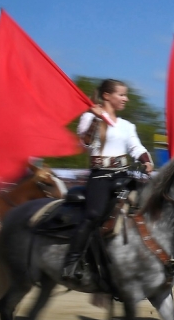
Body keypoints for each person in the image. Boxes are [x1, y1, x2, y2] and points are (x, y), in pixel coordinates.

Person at [62, 79, 153, 281]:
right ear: (106, 96)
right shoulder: (89, 117)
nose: (125, 99)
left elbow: (136, 147)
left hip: (123, 173)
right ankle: (71, 262)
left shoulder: (127, 126)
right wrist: (96, 119)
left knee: (148, 204)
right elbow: (85, 143)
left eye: (125, 95)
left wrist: (146, 160)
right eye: (121, 94)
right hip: (100, 175)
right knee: (93, 214)